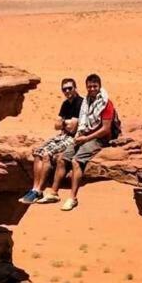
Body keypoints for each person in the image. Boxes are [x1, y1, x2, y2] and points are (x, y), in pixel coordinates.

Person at [42, 73, 116, 211]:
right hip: (84, 136)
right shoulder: (86, 102)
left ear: (100, 86)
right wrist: (80, 135)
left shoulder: (106, 104)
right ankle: (53, 193)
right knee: (62, 159)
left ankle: (72, 198)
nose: (92, 89)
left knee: (76, 161)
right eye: (89, 86)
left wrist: (86, 138)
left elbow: (106, 129)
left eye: (95, 86)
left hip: (99, 139)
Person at [19, 77, 83, 204]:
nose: (67, 91)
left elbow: (72, 127)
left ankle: (39, 190)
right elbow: (56, 125)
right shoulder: (65, 104)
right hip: (62, 135)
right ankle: (35, 189)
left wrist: (63, 123)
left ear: (75, 88)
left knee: (47, 155)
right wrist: (65, 123)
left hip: (72, 137)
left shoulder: (80, 103)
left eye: (70, 88)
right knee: (38, 152)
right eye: (64, 89)